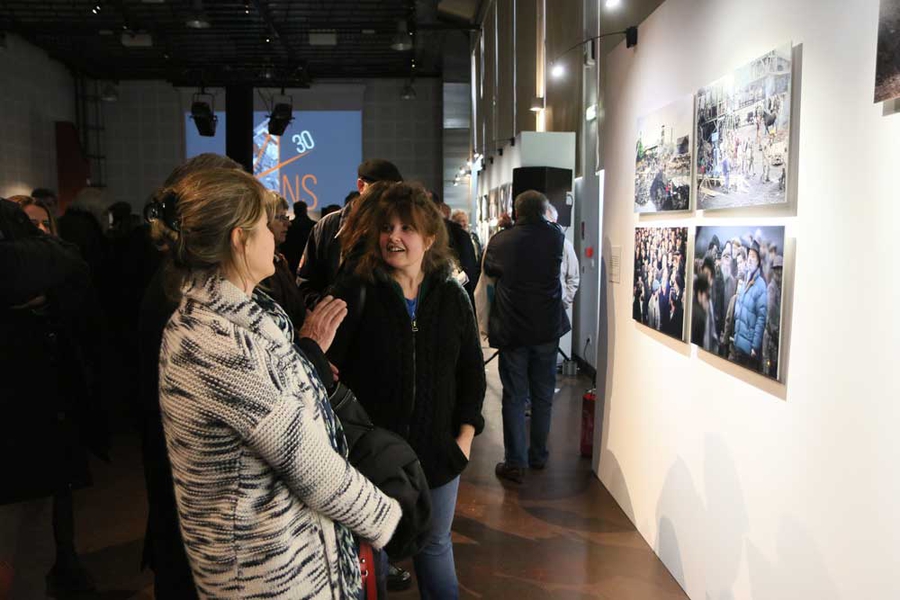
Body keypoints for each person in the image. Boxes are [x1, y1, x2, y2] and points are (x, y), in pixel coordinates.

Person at [157, 167, 402, 599]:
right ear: (239, 239)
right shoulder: (216, 341)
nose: (277, 235)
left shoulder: (239, 318)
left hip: (280, 552)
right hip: (266, 572)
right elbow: (305, 461)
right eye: (266, 226)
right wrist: (388, 517)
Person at [329, 181, 485, 600]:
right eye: (387, 227)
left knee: (435, 546)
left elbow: (472, 371)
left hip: (440, 453)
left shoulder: (452, 297)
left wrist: (465, 439)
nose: (393, 237)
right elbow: (325, 370)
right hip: (374, 459)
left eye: (406, 228)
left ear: (429, 237)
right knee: (375, 554)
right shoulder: (357, 290)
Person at [0, 197, 106, 598]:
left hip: (44, 430)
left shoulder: (53, 270)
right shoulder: (26, 264)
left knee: (38, 543)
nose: (40, 235)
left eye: (45, 226)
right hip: (17, 438)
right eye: (30, 227)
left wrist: (50, 299)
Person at [485, 190, 570, 483]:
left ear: (516, 212)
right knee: (543, 395)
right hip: (547, 329)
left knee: (514, 395)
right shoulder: (556, 237)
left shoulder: (501, 241)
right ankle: (538, 456)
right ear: (543, 210)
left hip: (513, 329)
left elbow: (490, 271)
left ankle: (515, 461)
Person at [297, 159, 403, 308]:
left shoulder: (400, 227)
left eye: (395, 191)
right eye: (381, 190)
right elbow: (305, 283)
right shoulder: (328, 226)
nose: (388, 198)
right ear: (361, 186)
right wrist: (330, 310)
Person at [260, 191, 307, 337]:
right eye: (280, 218)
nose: (288, 223)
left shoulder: (279, 260)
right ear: (263, 222)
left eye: (286, 217)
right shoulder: (261, 267)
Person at [733, 240, 768, 370]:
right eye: (749, 255)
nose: (750, 259)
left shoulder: (761, 285)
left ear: (759, 261)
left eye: (754, 256)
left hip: (748, 349)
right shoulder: (747, 278)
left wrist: (755, 346)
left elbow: (761, 317)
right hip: (738, 343)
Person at [545, 204, 580, 310]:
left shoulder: (565, 245)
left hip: (557, 305)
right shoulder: (534, 243)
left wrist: (564, 301)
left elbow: (573, 277)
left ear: (554, 221)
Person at [280, 200, 316, 275]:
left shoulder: (289, 226)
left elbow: (284, 246)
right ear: (306, 210)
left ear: (294, 211)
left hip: (290, 263)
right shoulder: (315, 225)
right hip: (310, 265)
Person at [761, 254, 783, 378]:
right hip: (770, 337)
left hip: (774, 338)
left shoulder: (779, 289)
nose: (779, 272)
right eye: (777, 269)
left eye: (781, 269)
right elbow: (771, 311)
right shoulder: (772, 288)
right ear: (774, 271)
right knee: (767, 371)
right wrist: (775, 332)